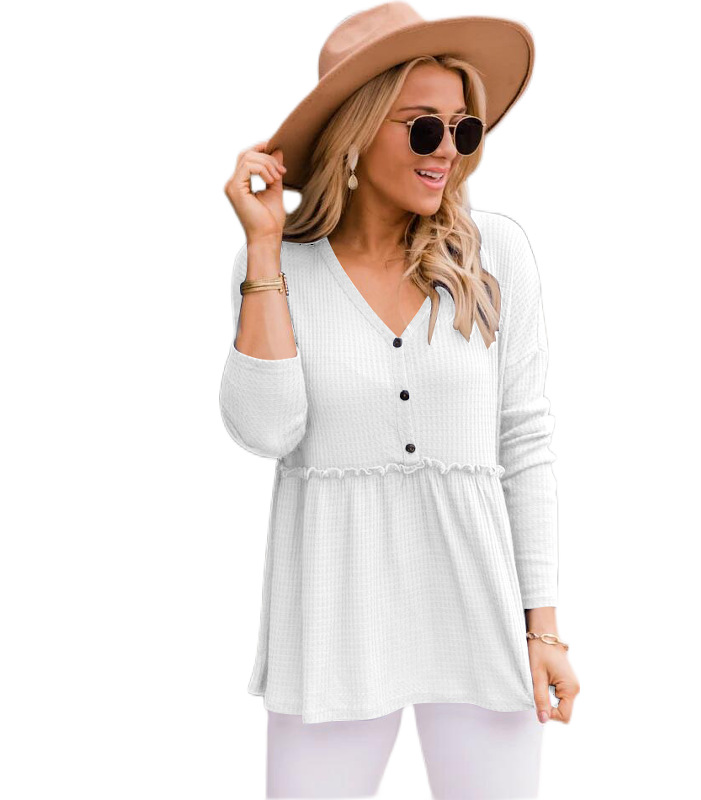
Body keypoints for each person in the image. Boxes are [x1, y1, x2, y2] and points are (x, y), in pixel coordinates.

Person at [219, 3, 580, 797]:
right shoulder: (278, 266)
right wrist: (265, 248)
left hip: (482, 616)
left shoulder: (496, 255)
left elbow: (524, 444)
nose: (448, 150)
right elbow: (267, 428)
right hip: (332, 620)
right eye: (423, 128)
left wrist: (544, 630)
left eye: (462, 129)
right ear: (356, 130)